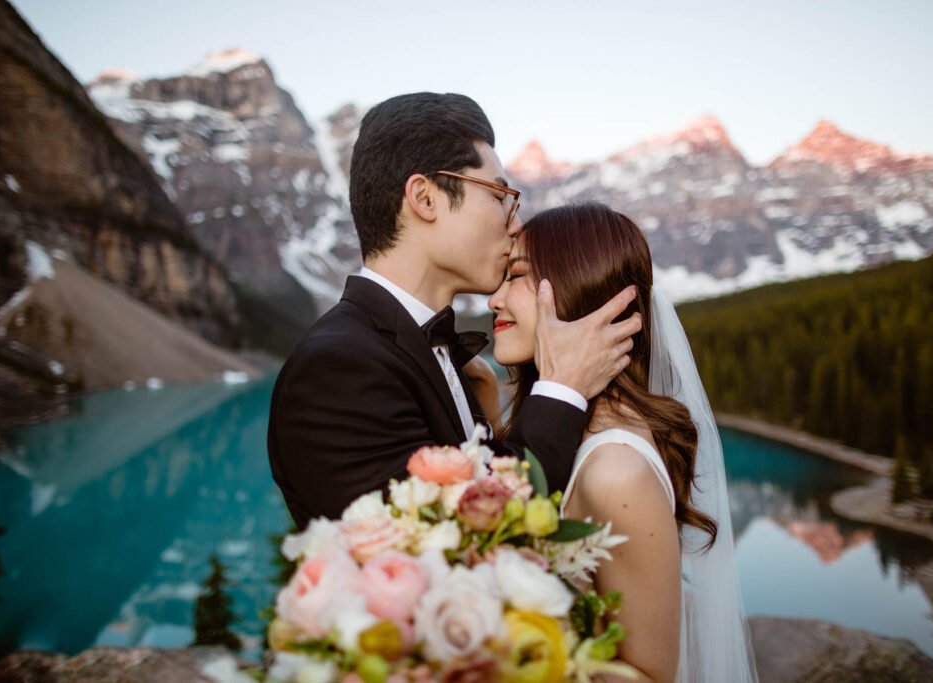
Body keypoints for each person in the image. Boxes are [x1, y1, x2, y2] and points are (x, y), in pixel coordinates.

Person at [267, 93, 641, 527]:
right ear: (425, 198)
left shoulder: (437, 360)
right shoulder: (337, 370)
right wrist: (562, 388)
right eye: (500, 194)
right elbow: (462, 539)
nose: (515, 223)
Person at [487, 203, 758, 683]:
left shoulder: (616, 471)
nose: (494, 299)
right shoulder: (578, 432)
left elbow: (650, 674)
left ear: (578, 289)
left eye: (518, 277)